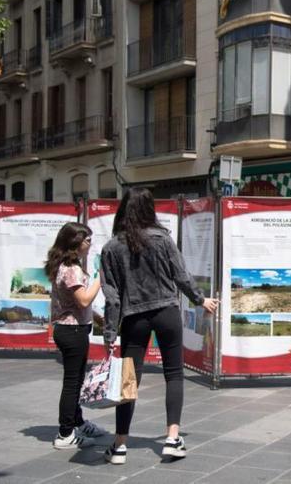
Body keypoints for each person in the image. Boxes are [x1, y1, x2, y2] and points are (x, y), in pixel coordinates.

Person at [100, 188, 218, 465]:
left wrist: (109, 334)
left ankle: (119, 445)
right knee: (174, 374)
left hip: (133, 318)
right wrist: (200, 300)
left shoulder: (111, 247)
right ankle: (172, 439)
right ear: (149, 209)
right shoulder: (162, 239)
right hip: (166, 312)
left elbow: (112, 296)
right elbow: (181, 275)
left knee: (129, 381)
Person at [45, 222, 109, 450]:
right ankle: (65, 434)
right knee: (72, 383)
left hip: (73, 328)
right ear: (75, 243)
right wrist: (101, 278)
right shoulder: (71, 269)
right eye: (87, 240)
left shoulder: (66, 266)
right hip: (72, 331)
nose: (90, 244)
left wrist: (97, 317)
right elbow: (82, 299)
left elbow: (74, 304)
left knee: (77, 380)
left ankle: (78, 422)